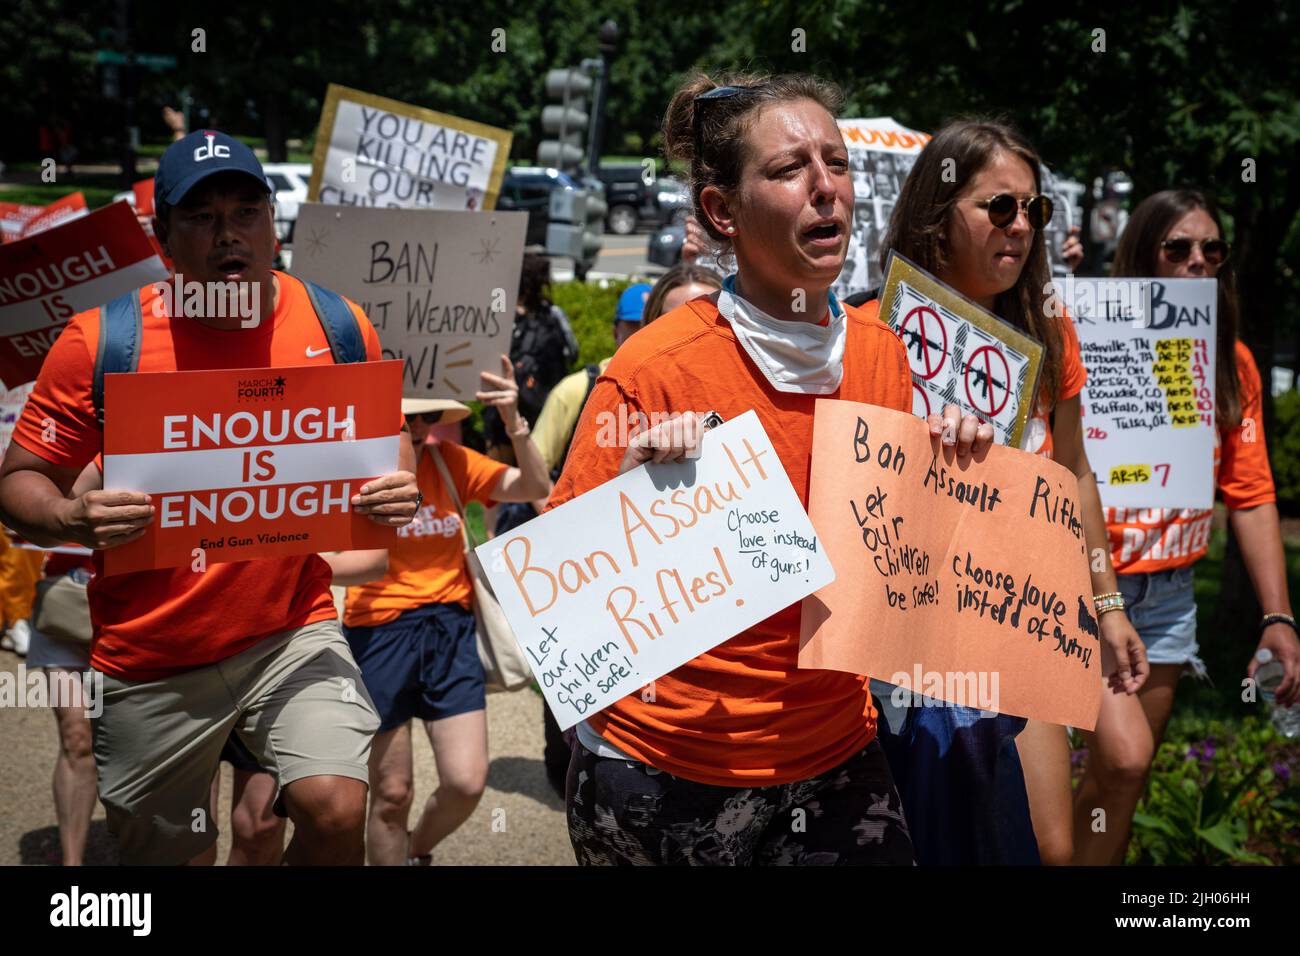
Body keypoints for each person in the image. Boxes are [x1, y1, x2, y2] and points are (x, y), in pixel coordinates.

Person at [550, 71, 995, 866]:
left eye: (837, 162)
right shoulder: (652, 368)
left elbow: (892, 561)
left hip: (835, 756)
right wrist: (629, 493)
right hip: (664, 770)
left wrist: (951, 471)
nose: (827, 189)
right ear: (722, 211)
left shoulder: (884, 354)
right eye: (789, 170)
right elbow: (560, 615)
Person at [0, 129, 420, 866]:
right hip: (150, 655)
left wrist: (392, 489)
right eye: (201, 217)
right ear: (163, 238)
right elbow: (16, 483)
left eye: (246, 211)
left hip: (291, 631)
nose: (229, 234)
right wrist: (67, 515)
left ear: (273, 225)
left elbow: (386, 448)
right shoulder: (103, 342)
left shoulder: (338, 323)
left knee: (336, 806)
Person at [870, 119, 1148, 865]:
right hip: (912, 647)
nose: (1021, 227)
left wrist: (1108, 604)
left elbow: (1075, 474)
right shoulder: (871, 335)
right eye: (1000, 207)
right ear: (939, 212)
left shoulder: (1047, 334)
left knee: (1049, 847)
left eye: (1035, 211)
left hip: (1025, 618)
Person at [1072, 189, 1300, 864]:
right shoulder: (1082, 339)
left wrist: (1277, 615)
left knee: (1125, 778)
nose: (1199, 261)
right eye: (1179, 248)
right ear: (1143, 256)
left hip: (1170, 595)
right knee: (1118, 759)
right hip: (1081, 589)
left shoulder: (1233, 364)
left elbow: (1252, 494)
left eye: (1213, 250)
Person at [529, 269, 723, 798]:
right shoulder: (610, 400)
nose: (694, 338)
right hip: (634, 692)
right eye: (675, 322)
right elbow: (561, 554)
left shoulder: (756, 419)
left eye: (710, 319)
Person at [343, 389, 551, 865]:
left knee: (466, 780)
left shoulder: (449, 460)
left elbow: (535, 486)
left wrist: (512, 420)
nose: (416, 428)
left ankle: (413, 852)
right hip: (378, 632)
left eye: (426, 417)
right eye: (404, 418)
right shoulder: (355, 470)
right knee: (393, 793)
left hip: (451, 628)